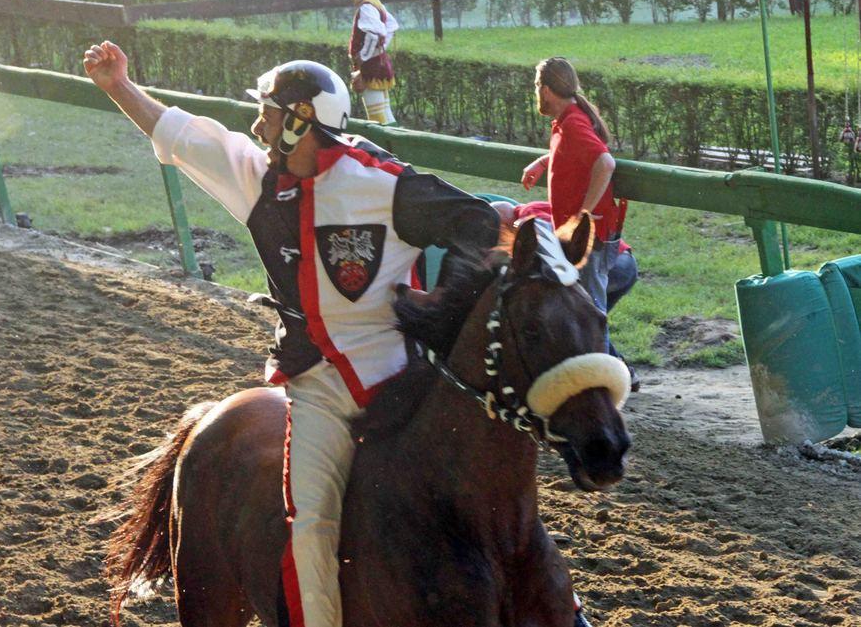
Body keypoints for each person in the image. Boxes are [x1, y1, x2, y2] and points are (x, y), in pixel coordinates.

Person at [82, 40, 499, 627]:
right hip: (316, 389)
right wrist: (118, 86)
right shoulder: (257, 179)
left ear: (301, 120)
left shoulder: (384, 182)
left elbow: (477, 220)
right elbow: (181, 135)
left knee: (491, 495)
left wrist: (445, 305)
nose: (257, 124)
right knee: (311, 527)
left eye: (268, 113)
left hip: (403, 380)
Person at [520, 57, 622, 347]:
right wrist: (543, 161)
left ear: (546, 89)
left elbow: (605, 162)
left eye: (536, 86)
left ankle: (605, 381)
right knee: (583, 309)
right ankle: (610, 372)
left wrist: (584, 214)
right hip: (582, 238)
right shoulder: (567, 120)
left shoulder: (573, 122)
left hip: (590, 239)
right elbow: (576, 154)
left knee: (590, 312)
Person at [493, 200, 640, 392]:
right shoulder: (534, 207)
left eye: (501, 228)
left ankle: (602, 380)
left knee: (583, 319)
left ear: (506, 220)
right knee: (585, 323)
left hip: (610, 266)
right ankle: (625, 372)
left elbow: (549, 236)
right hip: (625, 264)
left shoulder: (527, 214)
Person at [347, 0, 399, 126]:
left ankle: (386, 149)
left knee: (377, 115)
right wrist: (380, 50)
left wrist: (363, 57)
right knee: (385, 112)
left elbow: (374, 34)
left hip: (371, 68)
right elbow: (391, 26)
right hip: (380, 64)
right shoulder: (376, 3)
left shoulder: (366, 7)